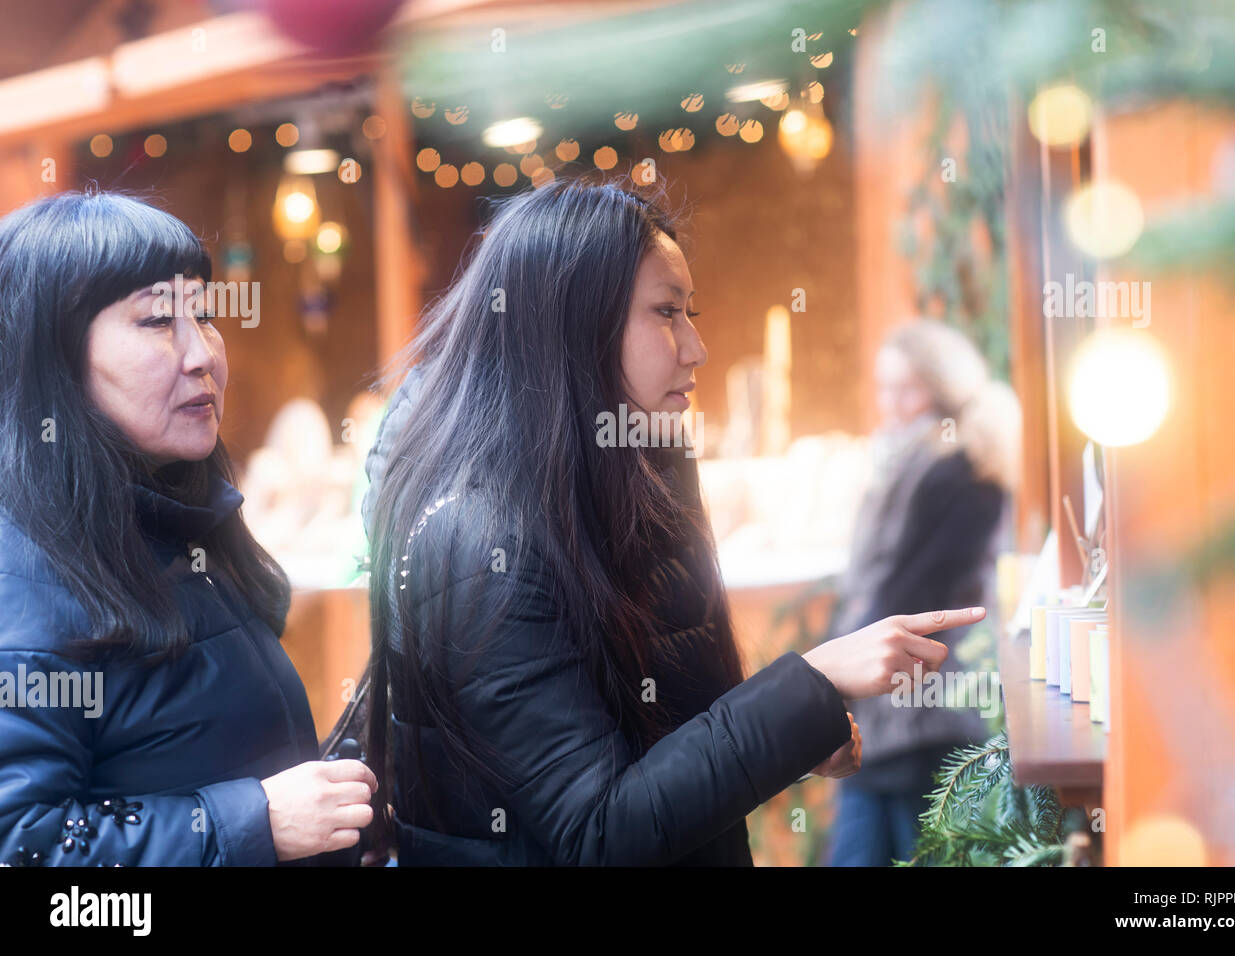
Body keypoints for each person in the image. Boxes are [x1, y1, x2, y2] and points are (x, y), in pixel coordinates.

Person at [361, 179, 985, 865]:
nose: (696, 347)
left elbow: (655, 729)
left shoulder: (626, 476)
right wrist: (812, 682)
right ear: (573, 323)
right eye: (666, 313)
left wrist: (796, 726)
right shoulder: (481, 541)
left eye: (689, 312)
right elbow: (602, 829)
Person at [0, 190, 376, 866]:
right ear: (52, 358)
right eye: (155, 321)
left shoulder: (179, 524)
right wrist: (254, 823)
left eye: (202, 315)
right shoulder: (22, 576)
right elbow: (23, 848)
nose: (202, 352)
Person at [825, 318, 1022, 867]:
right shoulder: (919, 461)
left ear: (942, 387)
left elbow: (902, 592)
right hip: (910, 700)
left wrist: (835, 678)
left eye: (906, 387)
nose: (891, 403)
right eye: (883, 386)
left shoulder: (952, 467)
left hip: (912, 703)